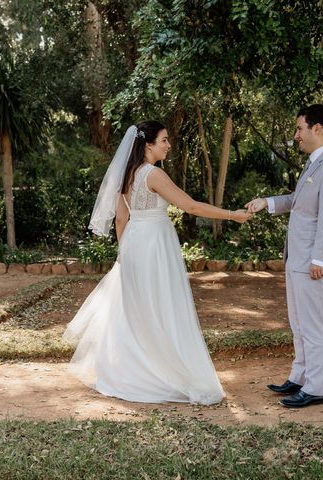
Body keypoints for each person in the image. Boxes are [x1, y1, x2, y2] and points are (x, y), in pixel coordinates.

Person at [63, 120, 251, 405]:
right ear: (148, 144)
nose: (168, 145)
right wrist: (231, 215)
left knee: (139, 308)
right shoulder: (153, 174)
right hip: (154, 246)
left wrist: (124, 251)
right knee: (163, 306)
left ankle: (131, 370)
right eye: (164, 140)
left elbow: (122, 218)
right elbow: (190, 206)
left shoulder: (129, 173)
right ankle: (161, 373)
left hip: (135, 244)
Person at [245, 104, 323, 408]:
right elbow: (298, 201)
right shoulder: (314, 163)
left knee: (314, 326)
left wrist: (319, 260)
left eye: (299, 128)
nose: (296, 136)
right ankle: (300, 377)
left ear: (317, 129)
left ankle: (315, 388)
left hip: (315, 263)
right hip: (299, 259)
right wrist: (267, 202)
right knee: (299, 324)